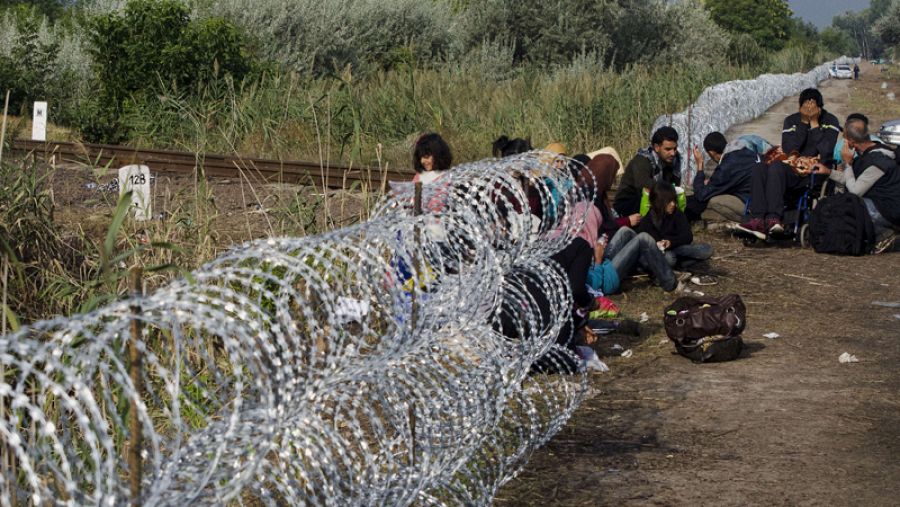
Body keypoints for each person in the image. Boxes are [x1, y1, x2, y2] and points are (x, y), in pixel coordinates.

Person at [737, 88, 841, 238]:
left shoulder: (830, 121)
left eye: (812, 108)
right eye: (805, 107)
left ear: (819, 108)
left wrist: (814, 124)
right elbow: (789, 149)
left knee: (776, 167)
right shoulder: (791, 121)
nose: (809, 110)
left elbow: (826, 150)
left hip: (811, 172)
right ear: (800, 108)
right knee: (759, 167)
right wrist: (804, 123)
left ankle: (774, 218)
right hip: (790, 165)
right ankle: (757, 218)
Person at [811, 117, 900, 252]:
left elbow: (854, 191)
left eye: (845, 139)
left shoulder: (878, 161)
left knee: (847, 206)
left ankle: (883, 235)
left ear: (851, 142)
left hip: (888, 210)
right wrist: (828, 172)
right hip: (878, 204)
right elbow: (853, 180)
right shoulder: (865, 155)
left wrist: (847, 164)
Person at [684, 131, 764, 223]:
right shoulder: (747, 152)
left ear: (711, 153)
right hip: (764, 196)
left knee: (710, 201)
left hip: (753, 204)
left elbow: (701, 195)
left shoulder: (727, 165)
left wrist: (700, 165)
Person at [638, 182, 713, 269]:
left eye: (674, 200)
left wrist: (670, 242)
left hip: (677, 247)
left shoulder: (677, 214)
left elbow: (688, 236)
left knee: (707, 249)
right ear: (658, 202)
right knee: (669, 258)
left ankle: (679, 262)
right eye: (669, 201)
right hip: (661, 253)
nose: (673, 204)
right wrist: (661, 244)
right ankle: (681, 262)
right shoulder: (648, 220)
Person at [614, 126, 682, 217]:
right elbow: (642, 183)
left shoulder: (673, 160)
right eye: (668, 149)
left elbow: (674, 183)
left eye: (675, 149)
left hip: (655, 199)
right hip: (630, 203)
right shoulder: (643, 160)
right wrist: (667, 190)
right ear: (657, 147)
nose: (673, 153)